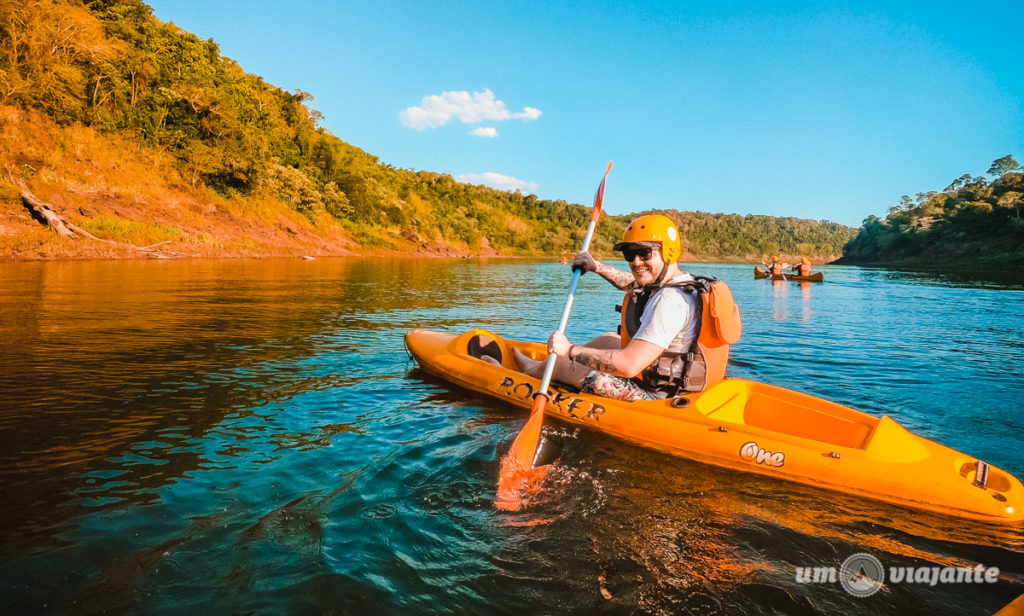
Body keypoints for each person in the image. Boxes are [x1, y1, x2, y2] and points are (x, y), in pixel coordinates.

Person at [510, 214, 713, 402]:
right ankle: (539, 367)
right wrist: (595, 266)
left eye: (644, 253)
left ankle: (529, 370)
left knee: (564, 363)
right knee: (608, 339)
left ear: (669, 251)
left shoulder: (669, 301)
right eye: (629, 253)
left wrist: (570, 350)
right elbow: (631, 283)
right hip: (670, 377)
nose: (636, 262)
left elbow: (628, 365)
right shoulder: (681, 283)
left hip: (657, 394)